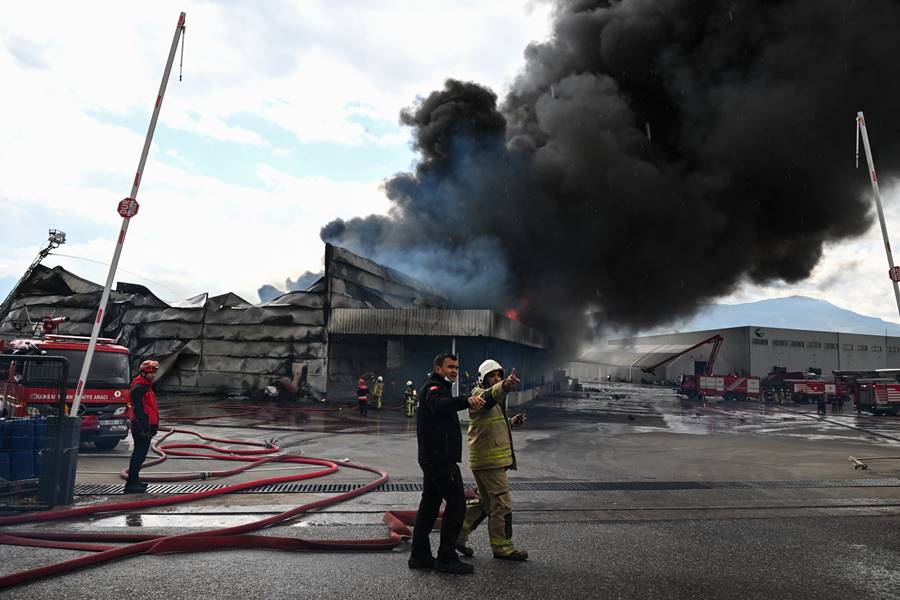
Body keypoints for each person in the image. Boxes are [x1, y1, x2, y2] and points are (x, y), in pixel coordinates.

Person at [409, 353, 484, 575]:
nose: (454, 371)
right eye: (450, 367)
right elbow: (439, 405)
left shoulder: (438, 387)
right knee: (457, 505)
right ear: (438, 368)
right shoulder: (434, 388)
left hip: (433, 458)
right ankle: (447, 557)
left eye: (456, 367)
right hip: (440, 459)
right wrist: (465, 400)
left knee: (430, 505)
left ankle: (419, 556)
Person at [456, 359, 528, 561]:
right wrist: (505, 385)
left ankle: (456, 537)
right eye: (492, 376)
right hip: (489, 463)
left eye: (499, 375)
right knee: (502, 504)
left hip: (489, 462)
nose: (497, 378)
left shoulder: (496, 399)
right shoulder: (478, 395)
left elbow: (491, 425)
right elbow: (489, 398)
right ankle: (503, 547)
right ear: (482, 378)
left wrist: (511, 423)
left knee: (483, 503)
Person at [124, 360, 160, 494]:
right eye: (151, 373)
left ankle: (135, 481)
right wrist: (145, 427)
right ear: (143, 373)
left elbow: (150, 408)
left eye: (154, 373)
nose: (153, 376)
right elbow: (139, 409)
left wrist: (153, 425)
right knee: (138, 455)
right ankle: (131, 484)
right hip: (141, 426)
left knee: (141, 455)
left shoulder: (145, 386)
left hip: (145, 425)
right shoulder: (139, 388)